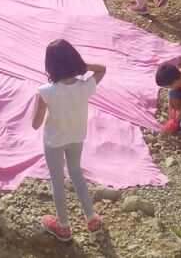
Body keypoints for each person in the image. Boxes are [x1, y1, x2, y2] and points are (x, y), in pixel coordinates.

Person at [31, 39, 105, 242]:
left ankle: (63, 226)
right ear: (74, 59)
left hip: (54, 140)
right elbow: (102, 69)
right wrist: (81, 66)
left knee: (57, 180)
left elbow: (35, 124)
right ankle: (92, 220)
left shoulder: (45, 91)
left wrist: (39, 104)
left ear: (50, 65)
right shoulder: (85, 86)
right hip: (76, 136)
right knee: (76, 173)